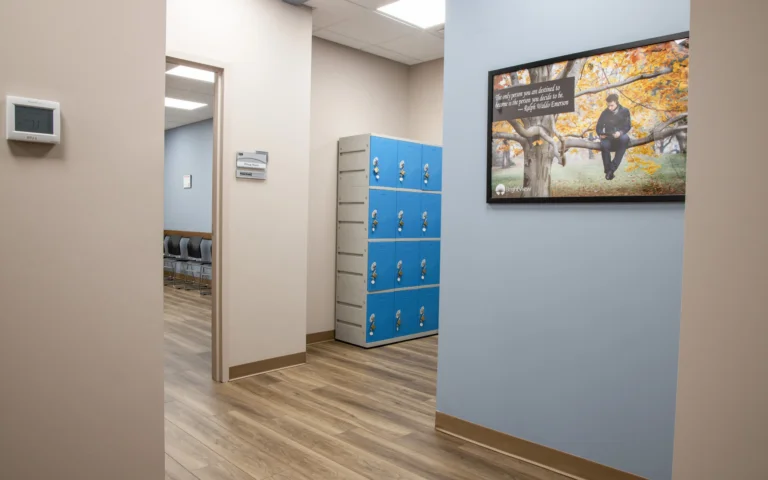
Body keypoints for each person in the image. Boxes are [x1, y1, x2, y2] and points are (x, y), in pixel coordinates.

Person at [596, 93, 631, 180]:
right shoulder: (605, 113)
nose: (609, 108)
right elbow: (598, 126)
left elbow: (628, 126)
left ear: (617, 102)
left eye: (611, 105)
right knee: (604, 145)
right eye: (608, 105)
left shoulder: (625, 111)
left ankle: (610, 170)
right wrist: (601, 134)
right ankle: (609, 171)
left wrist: (620, 133)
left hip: (621, 136)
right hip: (608, 137)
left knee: (625, 139)